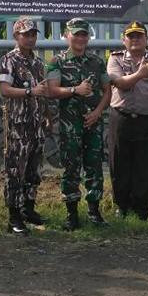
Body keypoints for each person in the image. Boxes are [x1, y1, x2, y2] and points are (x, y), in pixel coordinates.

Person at [45, 18, 112, 230]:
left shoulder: (97, 61)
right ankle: (71, 214)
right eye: (77, 34)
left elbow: (107, 90)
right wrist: (75, 90)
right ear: (67, 35)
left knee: (94, 166)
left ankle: (94, 211)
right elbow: (52, 90)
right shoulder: (57, 61)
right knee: (71, 167)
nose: (81, 38)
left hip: (93, 121)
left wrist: (98, 112)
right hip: (69, 124)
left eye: (84, 34)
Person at [107, 21, 148, 220]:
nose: (135, 39)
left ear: (146, 39)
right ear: (123, 39)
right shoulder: (115, 59)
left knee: (145, 165)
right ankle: (122, 206)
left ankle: (142, 209)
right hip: (121, 118)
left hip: (147, 120)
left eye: (139, 36)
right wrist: (140, 74)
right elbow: (119, 83)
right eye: (131, 36)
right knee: (119, 164)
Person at [0, 17, 50, 234]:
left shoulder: (38, 63)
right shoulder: (9, 60)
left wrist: (47, 115)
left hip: (36, 124)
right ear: (16, 36)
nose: (29, 38)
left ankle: (28, 208)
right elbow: (4, 90)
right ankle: (13, 216)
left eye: (33, 34)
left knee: (33, 170)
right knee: (15, 170)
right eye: (25, 34)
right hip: (18, 126)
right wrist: (29, 92)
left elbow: (43, 92)